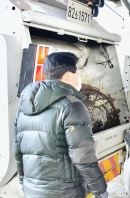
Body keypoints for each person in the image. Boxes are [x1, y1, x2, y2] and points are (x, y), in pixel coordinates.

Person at [14, 52, 108, 198]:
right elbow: (82, 155)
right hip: (64, 192)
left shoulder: (23, 107)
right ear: (68, 75)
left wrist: (24, 182)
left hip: (31, 190)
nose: (79, 76)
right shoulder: (72, 105)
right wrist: (99, 189)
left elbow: (18, 150)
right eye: (78, 71)